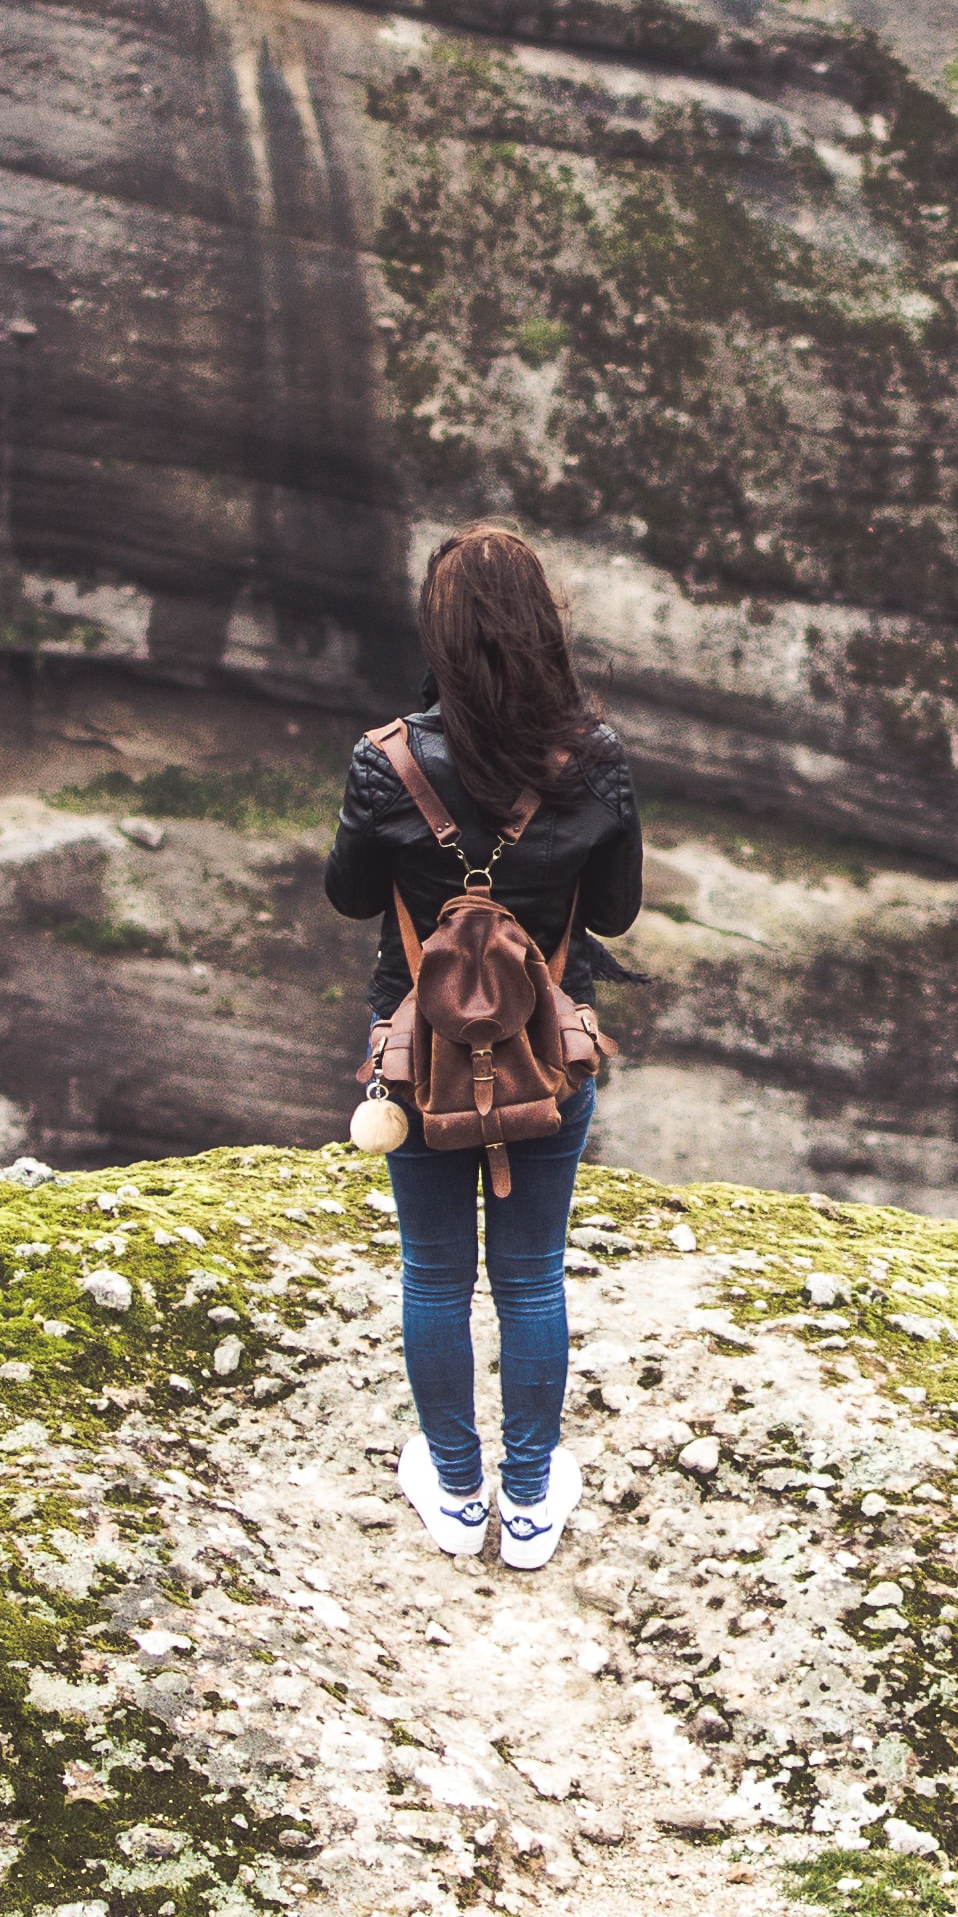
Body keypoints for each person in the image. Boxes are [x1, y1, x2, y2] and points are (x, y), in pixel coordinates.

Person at [327, 523, 641, 1571]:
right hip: (551, 1056)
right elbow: (619, 911)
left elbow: (350, 896)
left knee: (432, 1274)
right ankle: (535, 1498)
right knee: (531, 1277)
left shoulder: (386, 762)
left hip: (414, 1062)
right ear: (542, 627)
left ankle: (457, 1494)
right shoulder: (598, 761)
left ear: (443, 632)